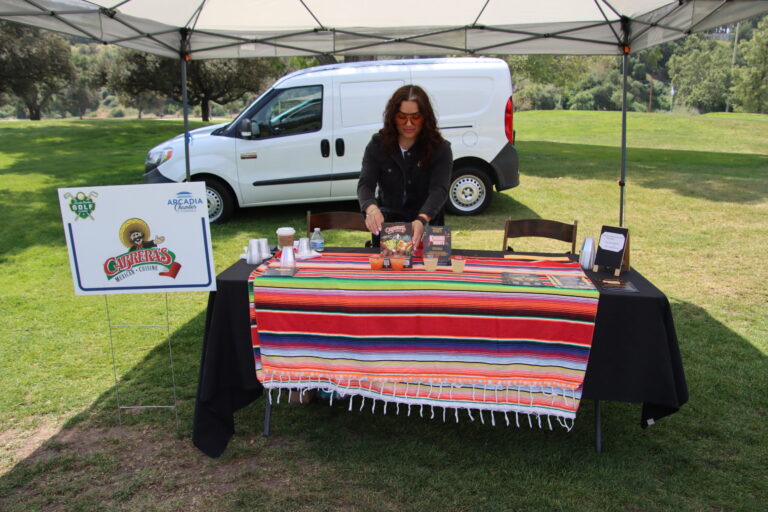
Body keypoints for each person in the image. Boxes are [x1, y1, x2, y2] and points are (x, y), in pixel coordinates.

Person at [357, 85, 452, 246]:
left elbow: (439, 190)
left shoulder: (440, 148)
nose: (409, 123)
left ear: (425, 117)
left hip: (429, 223)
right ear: (393, 117)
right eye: (402, 117)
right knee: (390, 269)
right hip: (390, 227)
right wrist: (371, 209)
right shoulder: (377, 145)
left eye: (416, 117)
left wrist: (422, 219)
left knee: (433, 270)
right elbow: (365, 185)